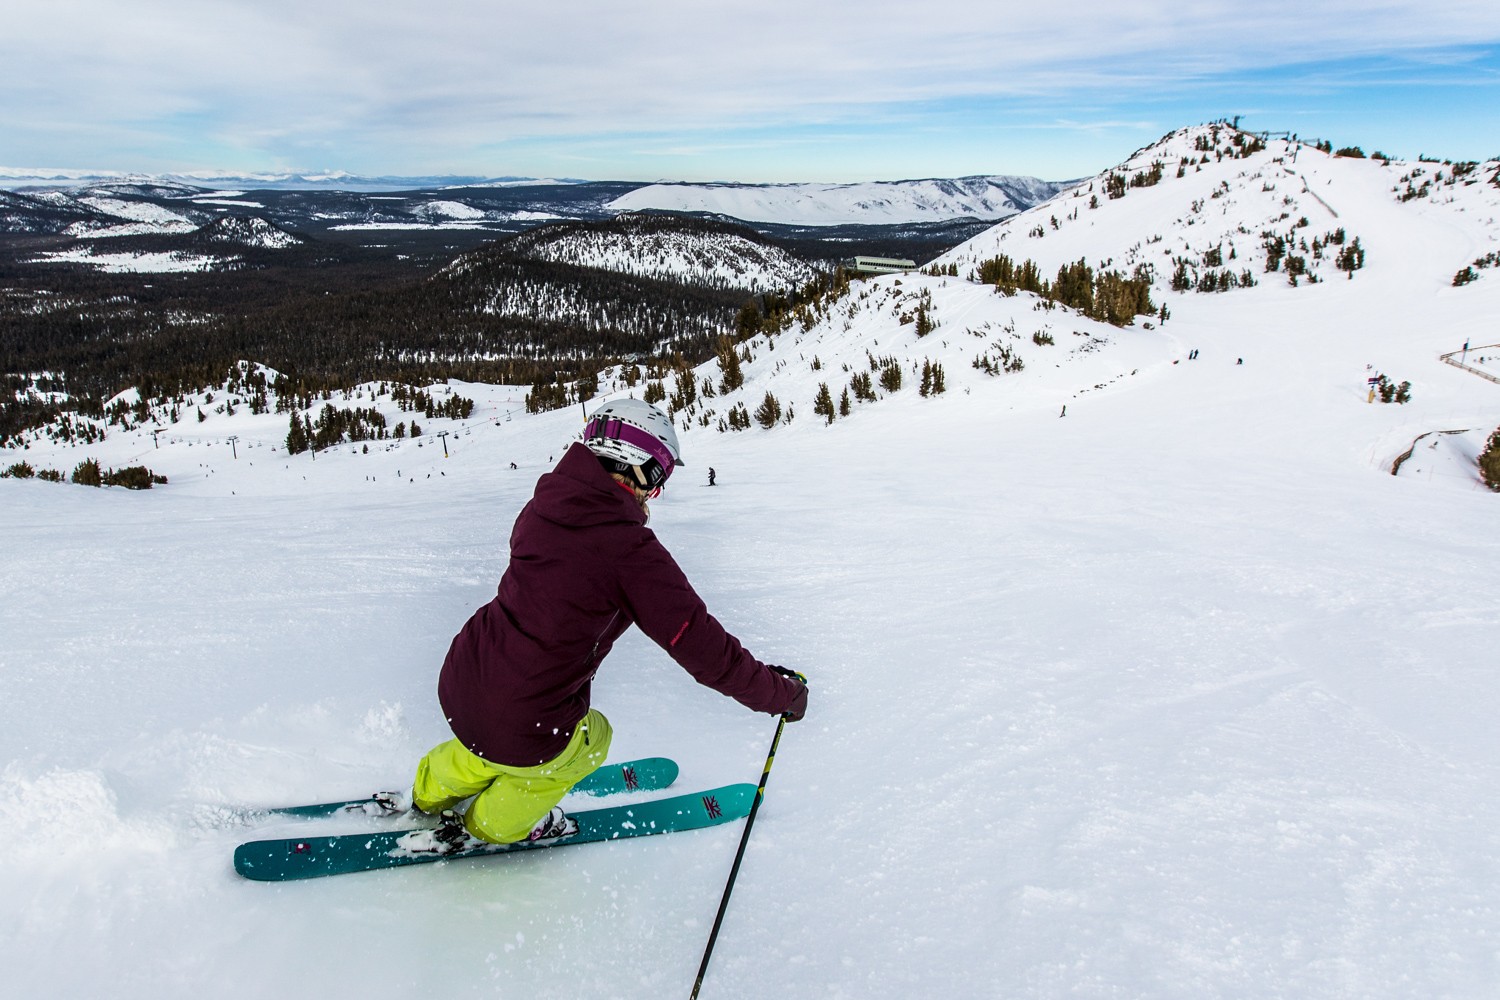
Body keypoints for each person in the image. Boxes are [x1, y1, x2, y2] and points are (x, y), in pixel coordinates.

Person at [400, 398, 808, 852]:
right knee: (591, 740)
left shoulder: (546, 503)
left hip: (466, 675)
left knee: (490, 736)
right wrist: (781, 695)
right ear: (635, 463)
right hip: (526, 715)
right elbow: (706, 650)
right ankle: (494, 825)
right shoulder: (629, 552)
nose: (656, 492)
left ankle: (427, 790)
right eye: (658, 476)